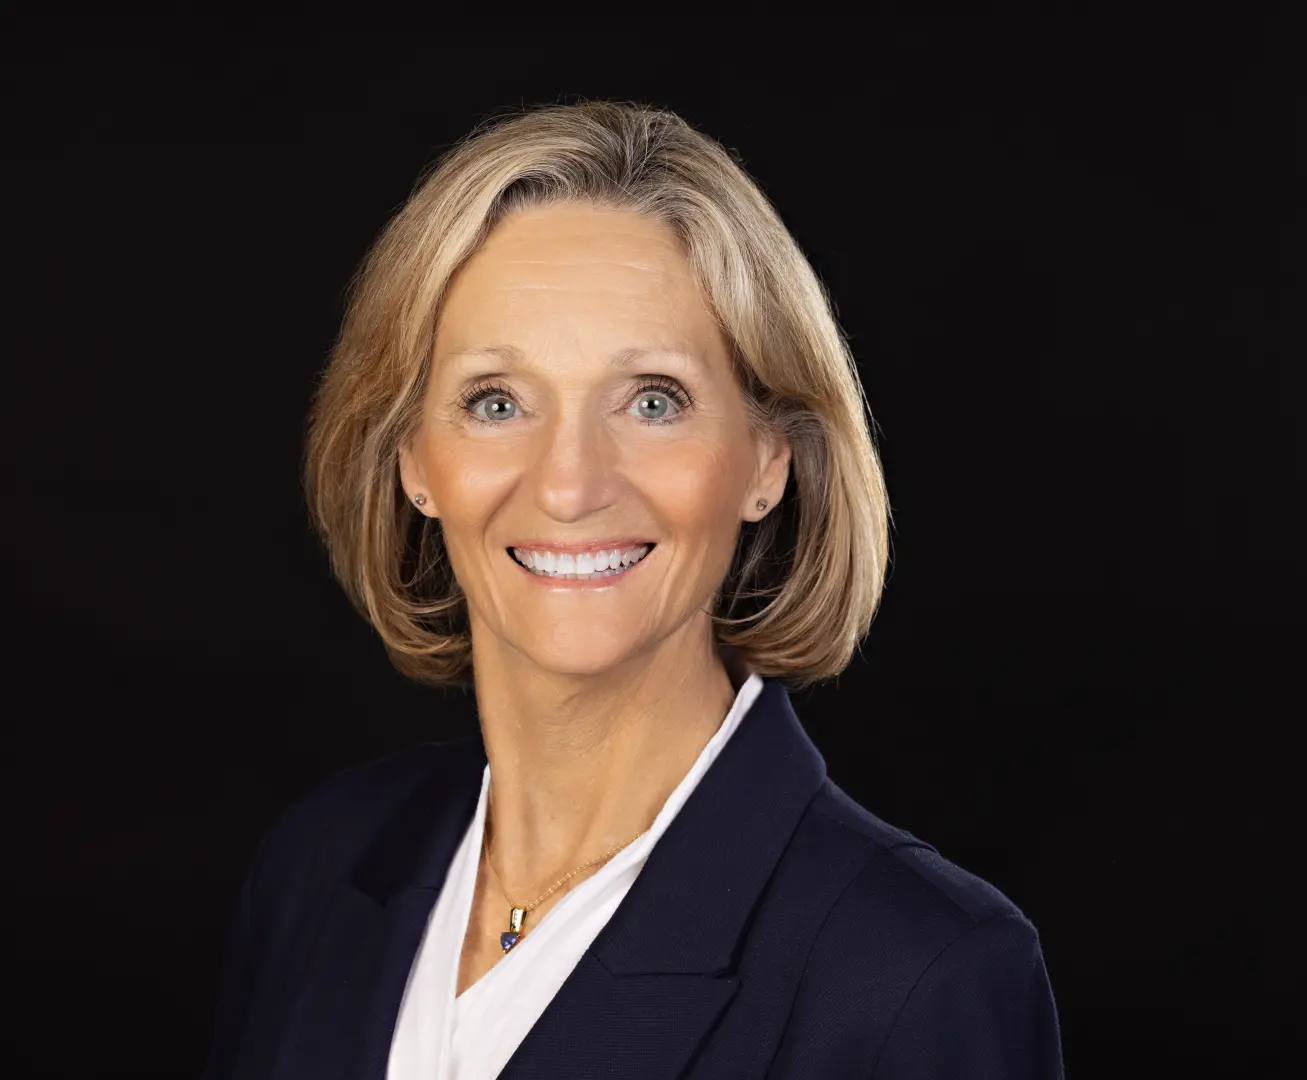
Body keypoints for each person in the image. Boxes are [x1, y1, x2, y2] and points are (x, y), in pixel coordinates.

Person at [201, 100, 1062, 1079]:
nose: (569, 484)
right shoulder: (321, 867)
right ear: (412, 460)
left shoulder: (917, 973)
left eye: (652, 400)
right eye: (496, 401)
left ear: (767, 459)